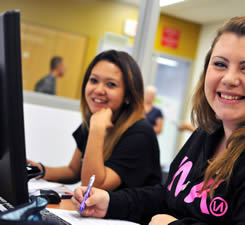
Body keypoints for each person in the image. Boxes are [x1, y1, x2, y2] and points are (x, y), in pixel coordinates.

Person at [71, 16, 245, 224]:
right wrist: (111, 202)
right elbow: (171, 196)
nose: (229, 78)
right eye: (219, 64)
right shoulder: (208, 133)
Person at [28, 50, 162, 191]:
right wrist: (40, 170)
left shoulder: (140, 134)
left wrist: (97, 129)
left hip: (128, 213)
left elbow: (93, 187)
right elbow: (74, 171)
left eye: (111, 84)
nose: (98, 90)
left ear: (128, 95)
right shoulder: (94, 119)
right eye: (93, 80)